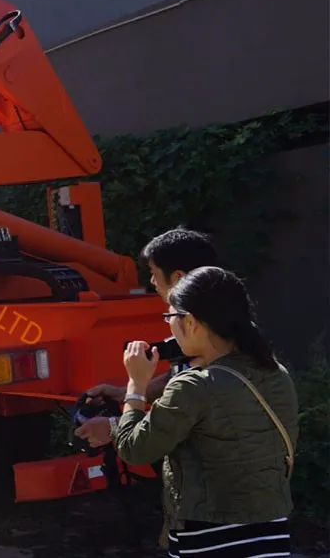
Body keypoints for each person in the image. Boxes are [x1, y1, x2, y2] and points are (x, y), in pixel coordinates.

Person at [114, 266, 298, 556]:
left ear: (192, 323)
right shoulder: (277, 373)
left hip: (209, 537)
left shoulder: (194, 387)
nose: (169, 326)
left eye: (171, 317)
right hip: (272, 533)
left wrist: (135, 386)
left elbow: (133, 449)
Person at [75, 227, 219, 448]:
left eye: (154, 273)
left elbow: (147, 441)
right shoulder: (221, 321)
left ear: (178, 278)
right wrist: (123, 393)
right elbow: (179, 375)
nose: (152, 281)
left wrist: (117, 421)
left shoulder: (209, 337)